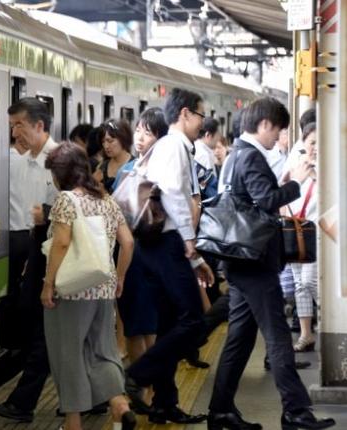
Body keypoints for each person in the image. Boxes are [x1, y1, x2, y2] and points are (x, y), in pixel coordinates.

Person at [207, 98, 335, 430]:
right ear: (265, 124)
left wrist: (283, 182)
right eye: (278, 129)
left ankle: (220, 411)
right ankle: (296, 412)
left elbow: (254, 199)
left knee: (240, 339)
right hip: (254, 264)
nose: (278, 136)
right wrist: (295, 182)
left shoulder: (236, 154)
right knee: (278, 337)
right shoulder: (250, 156)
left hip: (240, 262)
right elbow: (267, 202)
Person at [124, 88, 213, 425]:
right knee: (193, 321)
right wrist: (190, 243)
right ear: (186, 114)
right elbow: (174, 194)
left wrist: (194, 259)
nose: (202, 123)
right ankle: (138, 374)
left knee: (167, 325)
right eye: (201, 116)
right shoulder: (174, 145)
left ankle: (164, 404)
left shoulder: (164, 147)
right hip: (166, 243)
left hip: (151, 245)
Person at [41, 142, 137, 430]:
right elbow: (128, 242)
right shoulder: (106, 200)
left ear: (62, 174)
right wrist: (118, 278)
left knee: (68, 355)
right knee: (102, 351)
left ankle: (73, 423)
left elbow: (60, 242)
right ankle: (120, 405)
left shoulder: (66, 200)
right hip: (103, 289)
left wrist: (48, 285)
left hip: (70, 290)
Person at [0, 98, 58, 422]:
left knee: (44, 333)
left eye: (19, 125)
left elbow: (74, 211)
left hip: (53, 256)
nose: (14, 132)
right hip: (36, 251)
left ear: (39, 126)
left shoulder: (58, 160)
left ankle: (24, 402)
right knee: (42, 330)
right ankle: (92, 396)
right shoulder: (24, 160)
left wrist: (44, 215)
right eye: (12, 125)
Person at [114, 107, 167, 385]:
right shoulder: (128, 169)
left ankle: (145, 387)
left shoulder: (163, 170)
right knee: (137, 324)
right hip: (132, 253)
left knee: (146, 324)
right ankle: (145, 384)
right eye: (138, 130)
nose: (141, 138)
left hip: (149, 252)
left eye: (149, 133)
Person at [285, 123, 318, 353]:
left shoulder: (332, 167)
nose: (315, 147)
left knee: (310, 281)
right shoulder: (296, 163)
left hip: (318, 235)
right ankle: (306, 335)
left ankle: (331, 323)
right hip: (295, 232)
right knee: (299, 284)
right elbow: (283, 188)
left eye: (319, 142)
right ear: (303, 143)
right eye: (312, 142)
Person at [93, 119, 133, 193]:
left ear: (123, 139)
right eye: (103, 142)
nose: (106, 146)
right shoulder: (102, 167)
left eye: (110, 141)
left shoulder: (135, 166)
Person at [193, 117, 220, 199]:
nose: (218, 139)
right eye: (217, 135)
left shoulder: (195, 147)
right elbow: (211, 186)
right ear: (208, 135)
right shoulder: (204, 155)